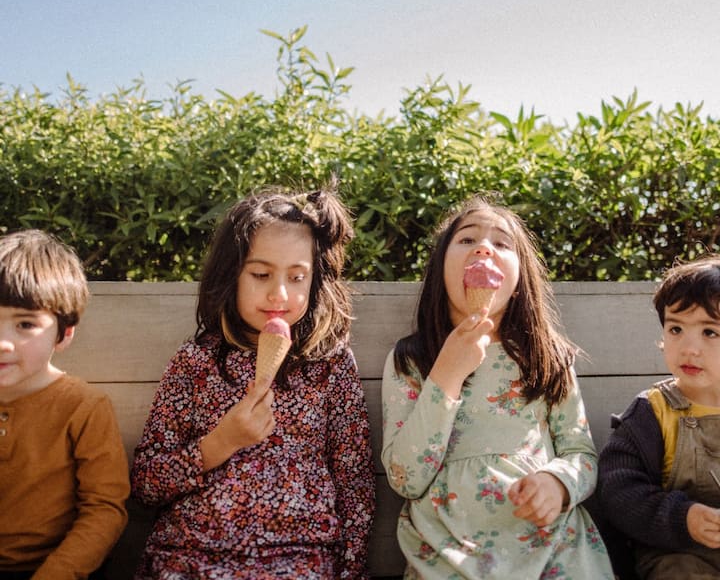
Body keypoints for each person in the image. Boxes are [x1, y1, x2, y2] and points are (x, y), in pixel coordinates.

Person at [131, 186, 375, 579]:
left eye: (297, 277)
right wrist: (219, 443)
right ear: (231, 275)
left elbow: (354, 481)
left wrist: (350, 569)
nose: (279, 293)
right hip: (194, 555)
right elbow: (145, 484)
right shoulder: (196, 362)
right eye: (261, 274)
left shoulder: (329, 365)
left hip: (300, 557)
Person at [381, 196, 613, 579]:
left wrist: (558, 484)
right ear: (440, 268)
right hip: (447, 553)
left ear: (520, 279)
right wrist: (446, 375)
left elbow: (581, 454)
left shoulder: (546, 357)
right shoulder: (413, 358)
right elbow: (406, 478)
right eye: (467, 239)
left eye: (502, 244)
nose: (484, 248)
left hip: (551, 547)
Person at [0, 229, 129, 580]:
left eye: (25, 324)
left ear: (64, 333)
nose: (3, 343)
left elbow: (104, 509)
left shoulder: (83, 407)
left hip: (59, 568)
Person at [597, 255, 720, 580]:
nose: (689, 348)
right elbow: (617, 491)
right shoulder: (652, 411)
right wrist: (683, 518)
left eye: (710, 332)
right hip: (678, 555)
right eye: (676, 328)